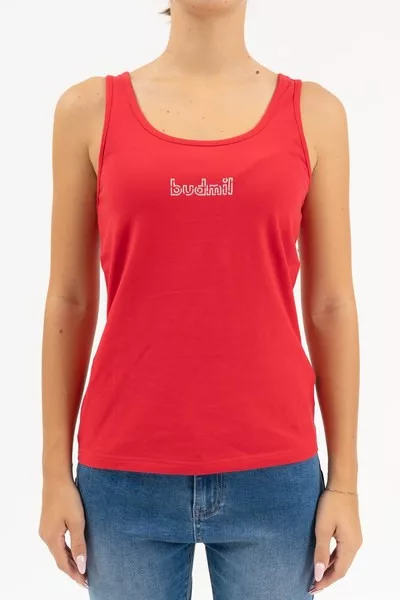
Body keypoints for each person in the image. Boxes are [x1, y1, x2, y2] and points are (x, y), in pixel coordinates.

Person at [38, 1, 363, 598]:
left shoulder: (315, 114)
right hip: (122, 478)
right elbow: (70, 300)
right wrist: (53, 474)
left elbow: (331, 306)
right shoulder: (87, 111)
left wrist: (345, 482)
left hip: (276, 475)